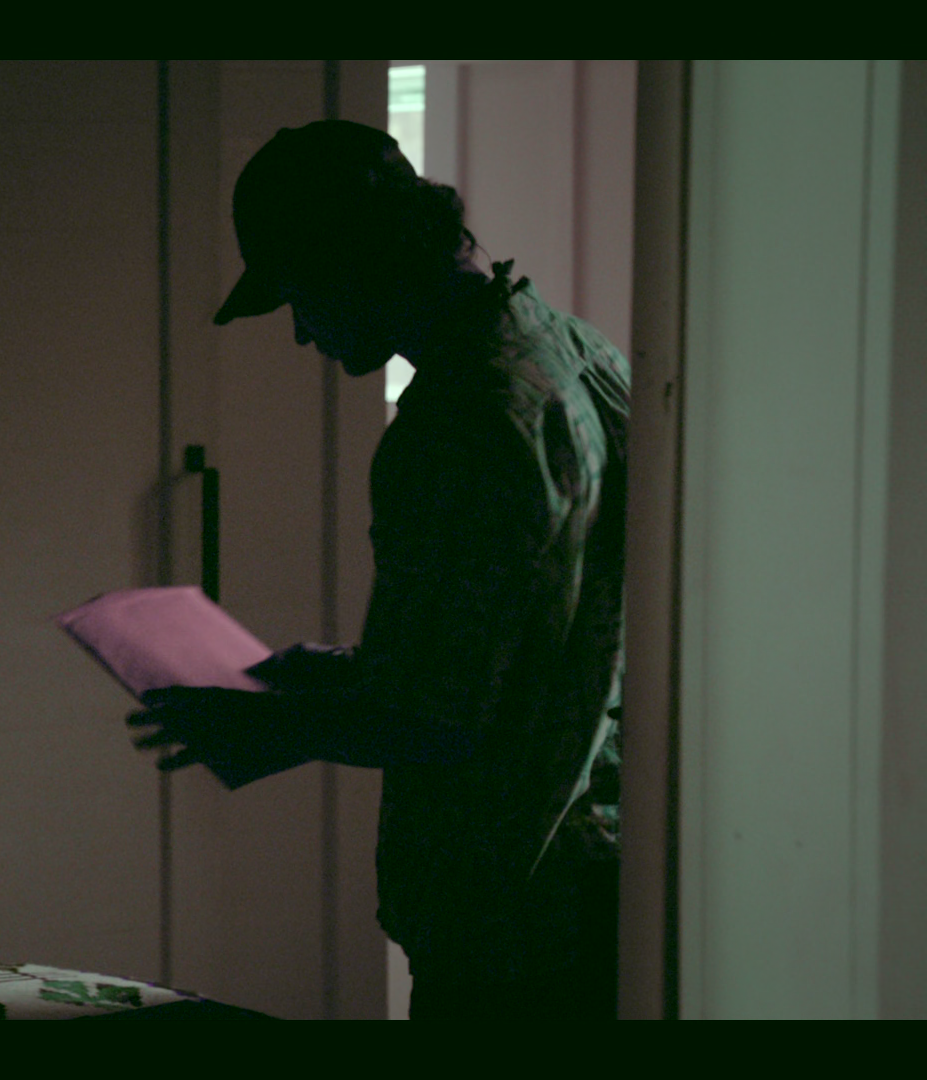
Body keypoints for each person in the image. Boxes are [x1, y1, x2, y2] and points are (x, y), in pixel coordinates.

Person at [129, 120, 627, 1019]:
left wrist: (270, 730)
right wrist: (336, 676)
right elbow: (529, 649)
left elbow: (437, 722)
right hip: (598, 879)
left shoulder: (457, 425)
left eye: (300, 294)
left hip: (508, 923)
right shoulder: (574, 354)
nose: (300, 332)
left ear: (359, 259)